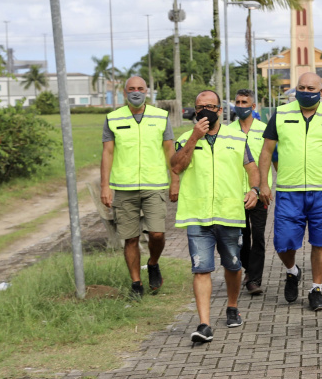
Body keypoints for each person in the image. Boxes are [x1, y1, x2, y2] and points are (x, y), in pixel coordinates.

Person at [258, 72, 322, 311]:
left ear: (321, 92)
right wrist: (264, 184)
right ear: (295, 89)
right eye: (301, 87)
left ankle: (316, 289)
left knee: (321, 243)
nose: (305, 91)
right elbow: (266, 152)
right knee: (284, 243)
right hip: (289, 191)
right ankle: (292, 271)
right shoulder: (280, 114)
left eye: (311, 87)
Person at [171, 90, 260, 343]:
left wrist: (254, 190)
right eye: (200, 107)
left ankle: (232, 306)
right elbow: (176, 166)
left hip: (229, 213)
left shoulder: (236, 137)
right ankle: (204, 324)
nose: (205, 111)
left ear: (220, 110)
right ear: (195, 111)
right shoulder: (186, 138)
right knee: (201, 269)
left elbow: (251, 169)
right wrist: (194, 139)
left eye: (210, 106)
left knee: (233, 265)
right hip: (197, 216)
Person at [100, 76, 178, 298]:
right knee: (130, 237)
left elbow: (169, 151)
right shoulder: (113, 118)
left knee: (157, 234)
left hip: (155, 185)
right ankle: (136, 284)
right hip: (124, 188)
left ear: (147, 92)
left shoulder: (161, 117)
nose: (136, 92)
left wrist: (175, 181)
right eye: (131, 89)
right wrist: (105, 187)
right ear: (124, 93)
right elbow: (108, 153)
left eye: (140, 89)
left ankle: (153, 263)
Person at [228, 89, 270, 295]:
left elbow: (272, 159)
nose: (240, 105)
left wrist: (267, 188)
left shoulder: (265, 130)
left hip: (260, 192)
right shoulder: (228, 131)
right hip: (237, 193)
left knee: (259, 236)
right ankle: (247, 268)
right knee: (241, 237)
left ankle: (254, 279)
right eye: (237, 101)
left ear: (253, 107)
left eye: (245, 102)